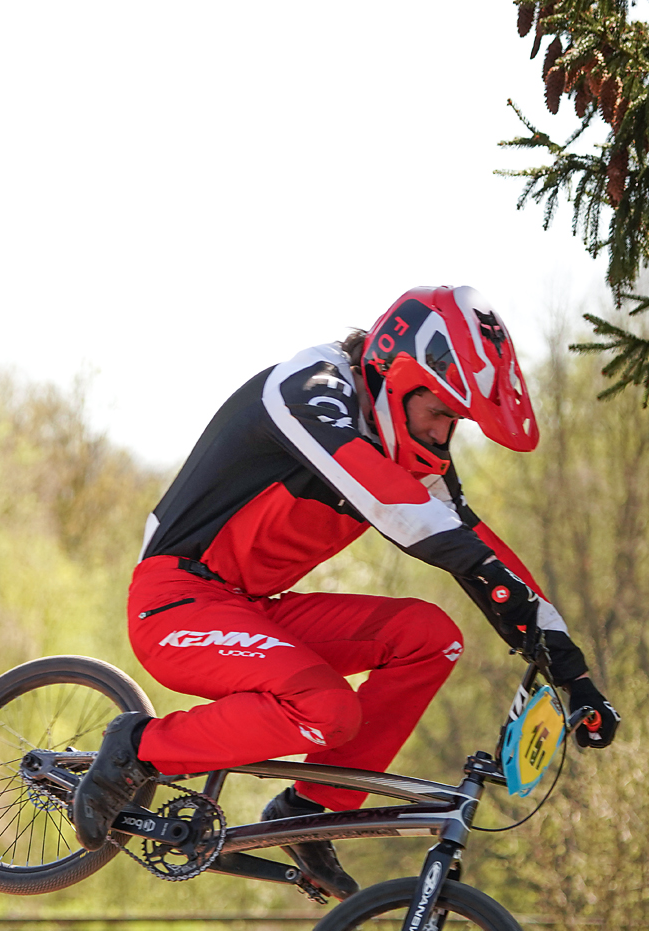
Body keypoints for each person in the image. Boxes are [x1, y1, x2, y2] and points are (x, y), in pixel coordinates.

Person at [70, 286, 620, 896]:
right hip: (175, 602)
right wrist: (491, 579)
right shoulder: (310, 387)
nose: (444, 434)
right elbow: (403, 513)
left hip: (254, 611)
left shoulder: (414, 451)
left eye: (455, 422)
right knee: (328, 710)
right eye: (440, 412)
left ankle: (310, 809)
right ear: (396, 376)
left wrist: (573, 674)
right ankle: (140, 748)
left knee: (428, 637)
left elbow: (485, 552)